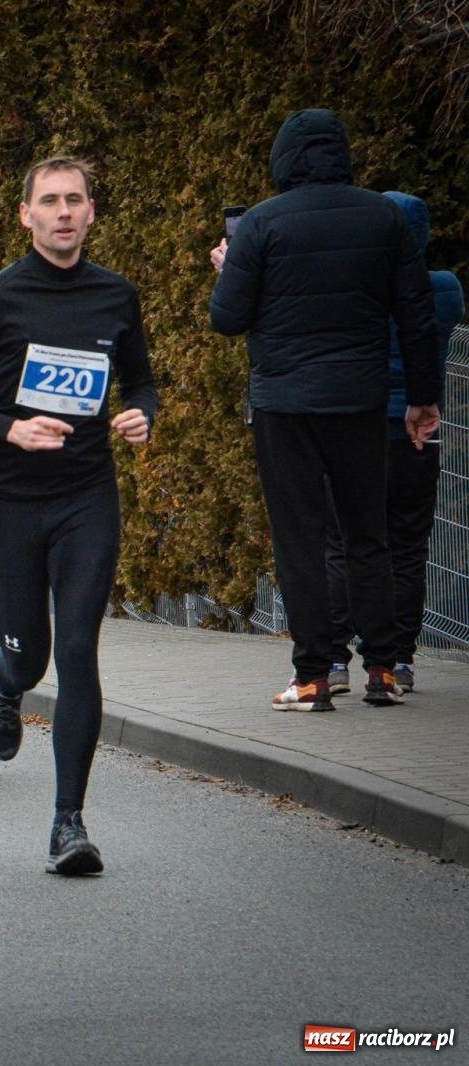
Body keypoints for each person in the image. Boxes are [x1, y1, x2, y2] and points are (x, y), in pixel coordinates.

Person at [0, 156, 157, 876]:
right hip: (10, 505)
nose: (63, 212)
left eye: (75, 200)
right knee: (30, 658)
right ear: (25, 215)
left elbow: (142, 379)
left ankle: (69, 823)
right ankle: (2, 682)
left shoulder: (116, 296)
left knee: (81, 649)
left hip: (87, 496)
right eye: (49, 201)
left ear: (92, 213)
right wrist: (9, 429)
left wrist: (140, 414)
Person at [209, 110, 441, 711]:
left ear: (283, 158)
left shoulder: (261, 223)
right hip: (361, 400)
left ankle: (313, 675)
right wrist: (421, 399)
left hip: (284, 403)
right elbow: (415, 316)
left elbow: (227, 318)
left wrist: (230, 266)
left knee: (301, 540)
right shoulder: (383, 216)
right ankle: (384, 668)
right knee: (369, 536)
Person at [325, 191, 463, 696]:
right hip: (417, 435)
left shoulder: (351, 292)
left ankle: (334, 659)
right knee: (408, 549)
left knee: (341, 545)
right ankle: (398, 661)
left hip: (357, 429)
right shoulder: (445, 290)